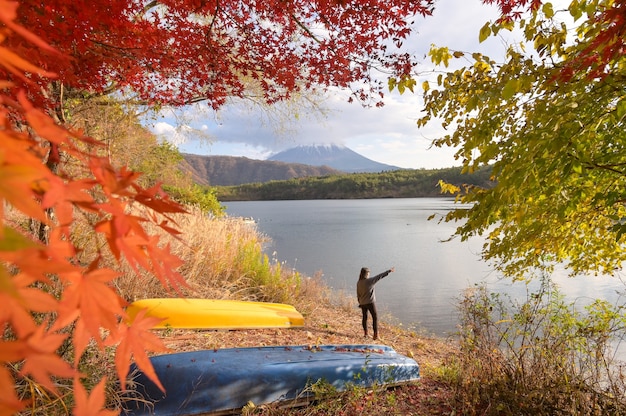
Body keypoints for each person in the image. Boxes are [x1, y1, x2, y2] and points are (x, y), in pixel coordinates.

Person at [356, 266, 395, 340]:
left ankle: (366, 334)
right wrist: (389, 271)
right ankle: (375, 335)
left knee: (365, 318)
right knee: (375, 317)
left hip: (363, 303)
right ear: (366, 274)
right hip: (370, 302)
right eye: (369, 273)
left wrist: (360, 302)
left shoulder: (359, 282)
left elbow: (358, 294)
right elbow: (379, 276)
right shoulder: (370, 281)